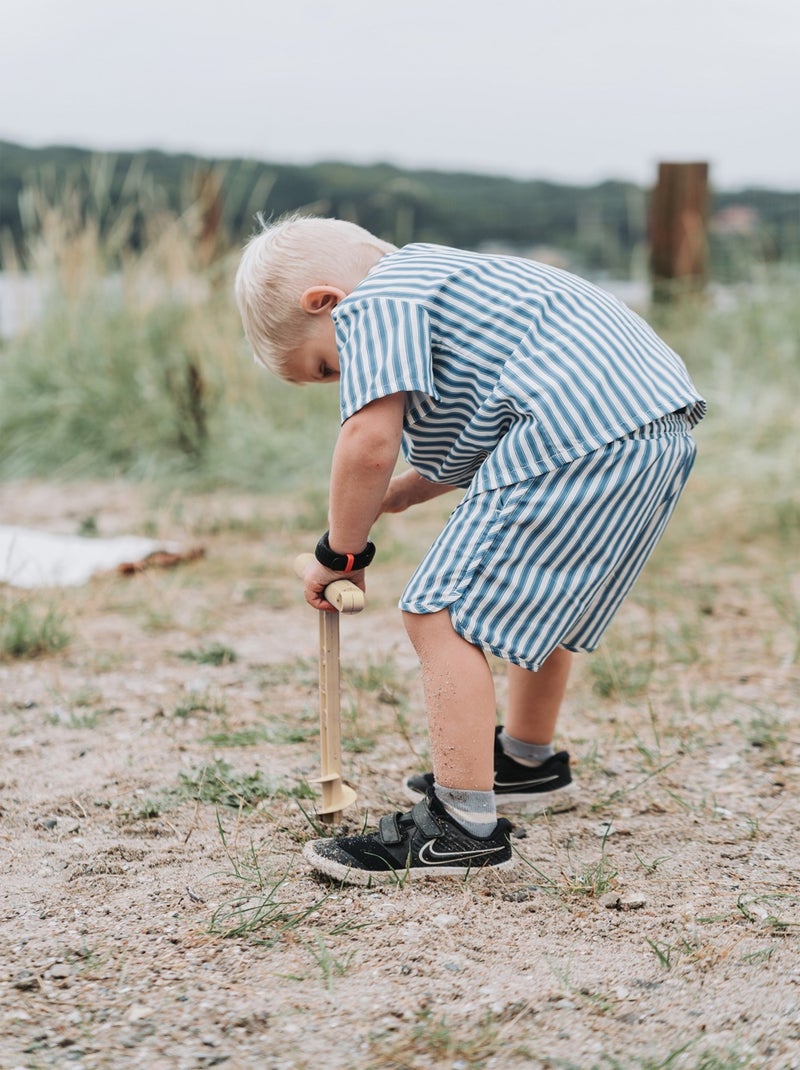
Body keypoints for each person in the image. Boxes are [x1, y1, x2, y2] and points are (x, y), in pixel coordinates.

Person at [235, 214, 705, 886]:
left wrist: (341, 554)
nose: (347, 383)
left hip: (579, 433)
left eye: (328, 367)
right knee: (550, 594)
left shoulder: (374, 303)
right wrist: (403, 494)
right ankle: (527, 761)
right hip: (650, 424)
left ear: (325, 302)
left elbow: (366, 443)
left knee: (438, 613)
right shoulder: (445, 283)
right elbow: (488, 421)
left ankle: (461, 828)